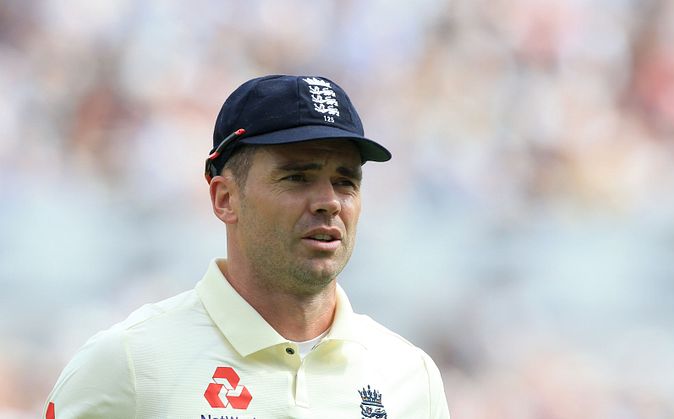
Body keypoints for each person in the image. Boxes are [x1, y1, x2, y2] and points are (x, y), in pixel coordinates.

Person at [44, 75, 451, 418]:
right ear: (225, 199)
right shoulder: (129, 362)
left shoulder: (410, 376)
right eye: (297, 177)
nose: (328, 201)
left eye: (346, 181)